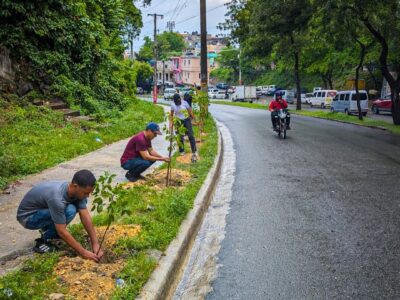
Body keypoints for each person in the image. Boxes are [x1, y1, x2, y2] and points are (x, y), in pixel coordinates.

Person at [16, 170, 104, 261]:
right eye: (86, 193)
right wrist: (83, 252)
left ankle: (51, 233)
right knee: (68, 211)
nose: (88, 196)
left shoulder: (76, 192)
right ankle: (45, 240)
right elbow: (61, 230)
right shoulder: (57, 198)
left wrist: (95, 243)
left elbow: (85, 216)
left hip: (44, 210)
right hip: (28, 218)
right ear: (75, 186)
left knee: (71, 209)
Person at [170, 95, 198, 162]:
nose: (178, 104)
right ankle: (181, 151)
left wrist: (194, 119)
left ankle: (194, 151)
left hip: (187, 120)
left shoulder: (185, 103)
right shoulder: (173, 105)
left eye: (179, 102)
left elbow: (190, 111)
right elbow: (171, 115)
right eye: (176, 103)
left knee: (191, 135)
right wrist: (171, 124)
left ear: (180, 99)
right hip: (178, 121)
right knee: (180, 136)